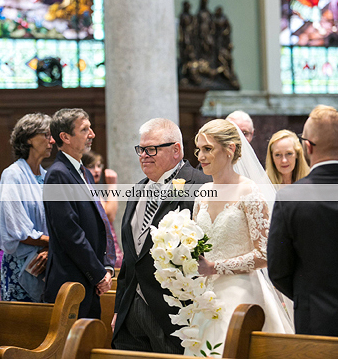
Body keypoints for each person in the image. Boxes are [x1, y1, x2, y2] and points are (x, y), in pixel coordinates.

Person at [188, 119, 293, 356]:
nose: (201, 156)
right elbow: (196, 244)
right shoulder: (202, 193)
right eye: (199, 150)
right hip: (205, 295)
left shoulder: (249, 191)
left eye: (208, 149)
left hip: (241, 293)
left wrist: (215, 267)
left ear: (230, 149)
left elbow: (264, 254)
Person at [112, 118, 209, 354]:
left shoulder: (201, 185)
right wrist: (119, 308)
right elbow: (131, 257)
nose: (144, 155)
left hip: (174, 313)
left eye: (152, 149)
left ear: (176, 150)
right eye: (141, 149)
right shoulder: (137, 189)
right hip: (130, 312)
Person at [268, 105, 338, 336]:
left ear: (307, 147)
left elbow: (278, 270)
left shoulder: (291, 197)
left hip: (316, 321)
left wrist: (306, 296)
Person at [42, 108, 115, 318]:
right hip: (70, 280)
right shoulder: (57, 175)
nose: (92, 134)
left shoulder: (85, 173)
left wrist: (106, 267)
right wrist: (98, 273)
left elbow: (98, 221)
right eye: (84, 130)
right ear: (65, 137)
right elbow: (69, 232)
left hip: (88, 279)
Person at [0, 113, 54, 301]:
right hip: (21, 266)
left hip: (48, 262)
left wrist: (50, 249)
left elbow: (56, 223)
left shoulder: (47, 177)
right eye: (46, 135)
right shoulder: (13, 175)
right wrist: (54, 242)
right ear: (29, 138)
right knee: (23, 318)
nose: (52, 141)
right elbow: (17, 230)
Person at [82, 151, 122, 268]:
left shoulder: (95, 189)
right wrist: (112, 185)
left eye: (99, 166)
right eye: (91, 166)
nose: (97, 170)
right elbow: (110, 215)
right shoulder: (86, 188)